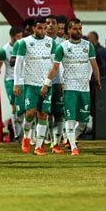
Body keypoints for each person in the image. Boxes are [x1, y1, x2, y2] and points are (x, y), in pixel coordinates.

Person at [41, 19, 101, 155]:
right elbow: (55, 67)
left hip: (85, 88)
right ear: (68, 31)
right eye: (74, 29)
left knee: (84, 121)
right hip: (69, 87)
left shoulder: (88, 46)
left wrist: (97, 80)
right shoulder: (62, 47)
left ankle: (70, 138)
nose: (78, 31)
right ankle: (74, 147)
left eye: (80, 28)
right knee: (70, 118)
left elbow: (94, 65)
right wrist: (46, 83)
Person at [14, 17, 57, 156]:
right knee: (30, 113)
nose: (42, 31)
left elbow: (55, 64)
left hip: (46, 84)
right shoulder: (25, 43)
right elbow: (18, 64)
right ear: (33, 28)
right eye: (39, 28)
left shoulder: (51, 42)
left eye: (44, 28)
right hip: (31, 84)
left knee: (43, 114)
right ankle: (26, 137)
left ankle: (38, 146)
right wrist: (16, 83)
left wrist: (55, 82)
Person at [0, 27, 23, 141]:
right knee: (15, 106)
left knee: (24, 107)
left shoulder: (24, 47)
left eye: (21, 37)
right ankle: (17, 134)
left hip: (23, 80)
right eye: (18, 37)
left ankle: (25, 134)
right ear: (11, 37)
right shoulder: (4, 50)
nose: (20, 39)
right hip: (10, 81)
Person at [44, 15, 66, 154]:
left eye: (53, 23)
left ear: (58, 27)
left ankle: (56, 143)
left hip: (58, 83)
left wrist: (62, 81)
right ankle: (44, 138)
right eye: (48, 23)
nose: (51, 25)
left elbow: (63, 64)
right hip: (42, 83)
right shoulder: (40, 42)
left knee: (58, 114)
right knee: (44, 113)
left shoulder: (63, 43)